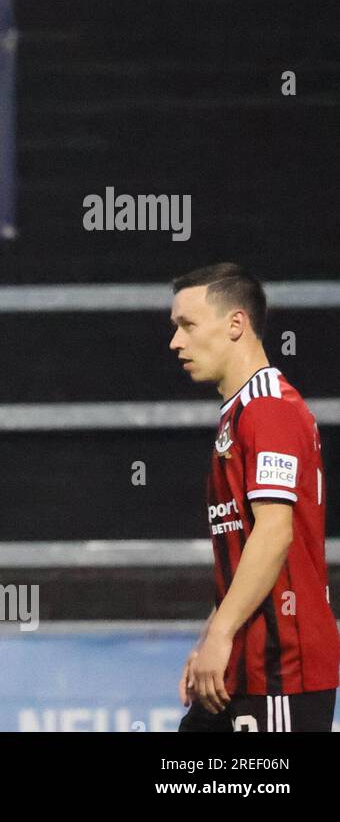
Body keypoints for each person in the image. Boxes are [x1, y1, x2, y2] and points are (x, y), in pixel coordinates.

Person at [170, 263, 337, 732]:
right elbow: (244, 550)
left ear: (236, 324)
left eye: (188, 325)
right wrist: (212, 637)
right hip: (246, 663)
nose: (175, 342)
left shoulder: (267, 410)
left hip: (281, 668)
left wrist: (222, 633)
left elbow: (274, 532)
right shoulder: (242, 413)